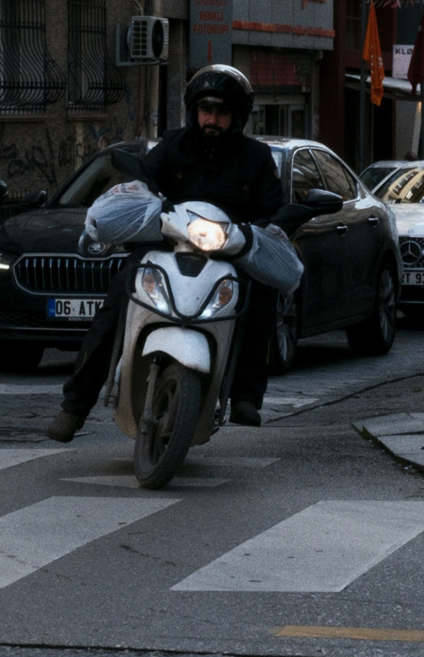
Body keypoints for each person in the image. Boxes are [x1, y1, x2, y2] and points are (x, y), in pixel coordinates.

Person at [47, 64, 286, 441]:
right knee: (119, 295)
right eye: (206, 110)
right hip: (166, 247)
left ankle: (246, 396)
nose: (212, 120)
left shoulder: (256, 158)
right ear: (194, 111)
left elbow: (273, 211)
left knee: (260, 294)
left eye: (222, 113)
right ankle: (74, 407)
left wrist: (267, 229)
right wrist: (142, 197)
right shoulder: (173, 145)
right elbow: (144, 181)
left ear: (238, 117)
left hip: (229, 253)